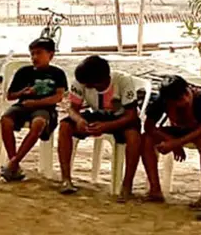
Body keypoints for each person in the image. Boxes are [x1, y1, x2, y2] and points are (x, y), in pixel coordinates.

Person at [57, 55, 141, 199]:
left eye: (91, 85)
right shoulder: (81, 82)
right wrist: (79, 120)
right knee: (65, 126)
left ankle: (127, 185)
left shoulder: (123, 81)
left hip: (121, 118)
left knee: (134, 137)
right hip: (97, 114)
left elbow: (132, 115)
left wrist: (107, 125)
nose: (87, 87)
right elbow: (72, 109)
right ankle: (66, 179)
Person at [0, 38, 68, 181]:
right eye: (32, 54)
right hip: (23, 105)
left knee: (38, 124)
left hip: (45, 108)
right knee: (5, 120)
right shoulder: (24, 72)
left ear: (51, 55)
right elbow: (10, 96)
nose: (35, 57)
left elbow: (58, 97)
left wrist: (36, 103)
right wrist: (23, 92)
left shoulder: (58, 73)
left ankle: (13, 163)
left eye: (39, 53)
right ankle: (14, 163)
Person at [140, 75, 201, 212]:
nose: (185, 100)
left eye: (186, 95)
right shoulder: (162, 100)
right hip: (179, 131)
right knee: (146, 138)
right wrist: (170, 141)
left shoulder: (200, 96)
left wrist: (175, 143)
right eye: (179, 100)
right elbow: (149, 126)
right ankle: (155, 190)